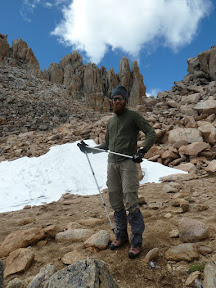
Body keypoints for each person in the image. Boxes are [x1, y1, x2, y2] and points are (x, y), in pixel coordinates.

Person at [78, 84, 156, 259]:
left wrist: (142, 151)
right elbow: (106, 145)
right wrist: (88, 149)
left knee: (131, 202)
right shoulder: (111, 121)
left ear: (125, 100)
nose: (116, 101)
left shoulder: (133, 116)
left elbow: (151, 133)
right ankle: (121, 237)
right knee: (115, 200)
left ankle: (136, 243)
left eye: (119, 98)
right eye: (114, 99)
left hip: (128, 163)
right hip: (112, 164)